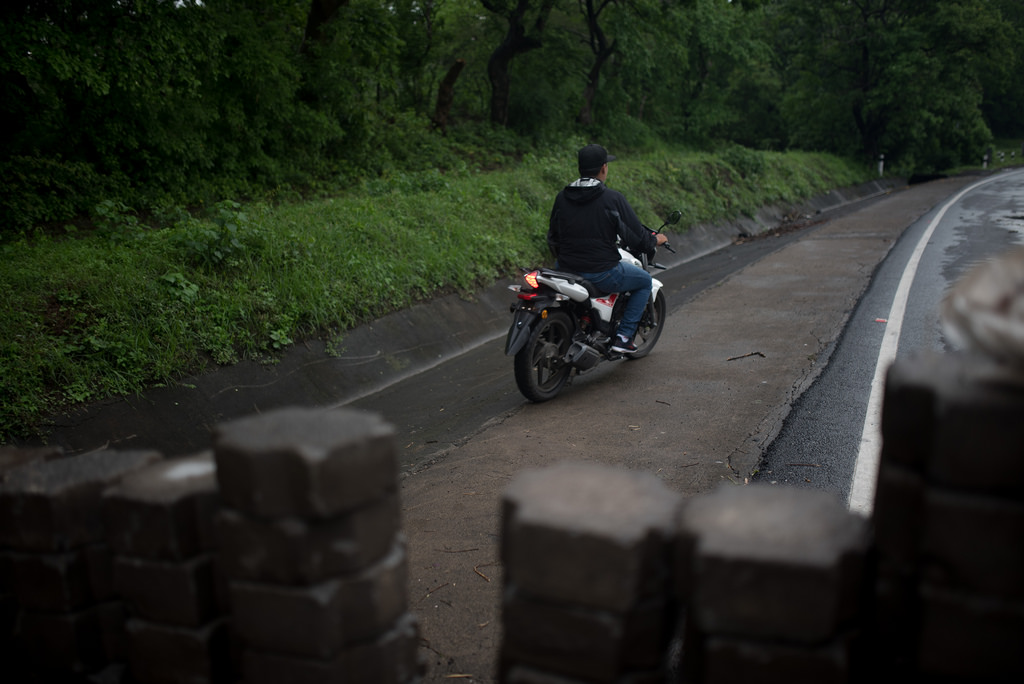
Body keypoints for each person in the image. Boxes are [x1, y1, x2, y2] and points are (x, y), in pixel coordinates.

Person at [547, 144, 668, 354]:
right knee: (644, 281)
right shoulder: (612, 199)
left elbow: (553, 238)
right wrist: (654, 241)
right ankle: (623, 337)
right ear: (604, 168)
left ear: (580, 168)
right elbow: (637, 237)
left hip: (564, 269)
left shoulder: (562, 197)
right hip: (601, 272)